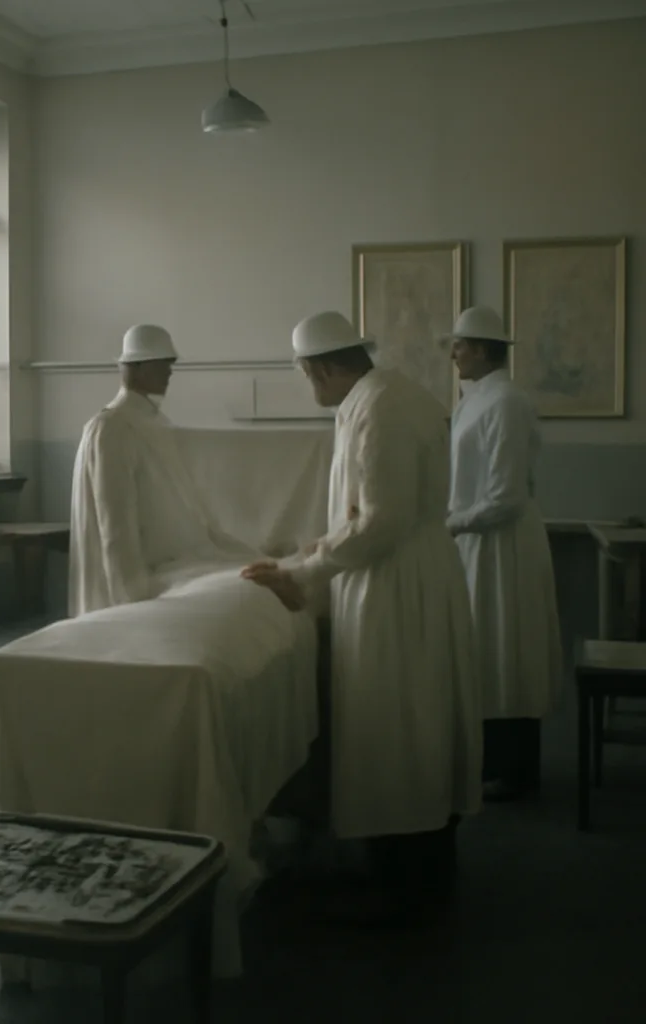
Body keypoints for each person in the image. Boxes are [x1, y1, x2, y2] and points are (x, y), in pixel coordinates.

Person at [242, 311, 482, 920]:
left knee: (402, 727)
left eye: (306, 376)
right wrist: (307, 553)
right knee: (407, 727)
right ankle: (408, 869)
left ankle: (412, 887)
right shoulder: (382, 396)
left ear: (322, 367)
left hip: (398, 585)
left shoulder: (382, 408)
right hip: (398, 576)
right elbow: (360, 513)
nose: (310, 389)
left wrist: (302, 573)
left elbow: (381, 522)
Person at [447, 306, 563, 802]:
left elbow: (505, 496)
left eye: (459, 345)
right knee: (488, 649)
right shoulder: (476, 399)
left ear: (479, 349)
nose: (453, 354)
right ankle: (496, 761)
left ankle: (515, 769)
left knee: (507, 649)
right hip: (479, 541)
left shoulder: (506, 403)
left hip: (504, 543)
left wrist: (450, 524)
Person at [69, 324, 258, 615]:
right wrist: (131, 602)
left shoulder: (153, 423)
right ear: (139, 367)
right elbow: (115, 526)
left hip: (163, 566)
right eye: (163, 366)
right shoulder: (112, 428)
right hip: (133, 584)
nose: (170, 374)